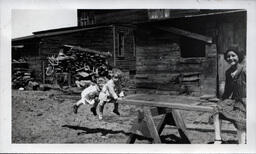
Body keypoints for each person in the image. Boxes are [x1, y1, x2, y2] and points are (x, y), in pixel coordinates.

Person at [212, 48, 246, 144]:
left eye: (233, 55)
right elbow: (228, 91)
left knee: (240, 118)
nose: (231, 58)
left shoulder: (244, 69)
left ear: (239, 56)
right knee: (217, 110)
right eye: (228, 56)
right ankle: (218, 139)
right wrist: (221, 101)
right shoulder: (228, 72)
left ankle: (242, 144)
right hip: (235, 100)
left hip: (245, 100)